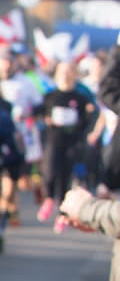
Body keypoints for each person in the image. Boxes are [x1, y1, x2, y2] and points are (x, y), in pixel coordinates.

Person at [37, 61, 96, 230]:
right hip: (53, 139)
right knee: (49, 171)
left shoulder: (80, 96)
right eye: (62, 71)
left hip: (72, 141)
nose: (65, 75)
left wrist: (87, 123)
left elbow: (89, 117)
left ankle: (63, 214)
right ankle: (48, 198)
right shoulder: (51, 95)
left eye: (68, 71)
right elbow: (40, 111)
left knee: (65, 176)